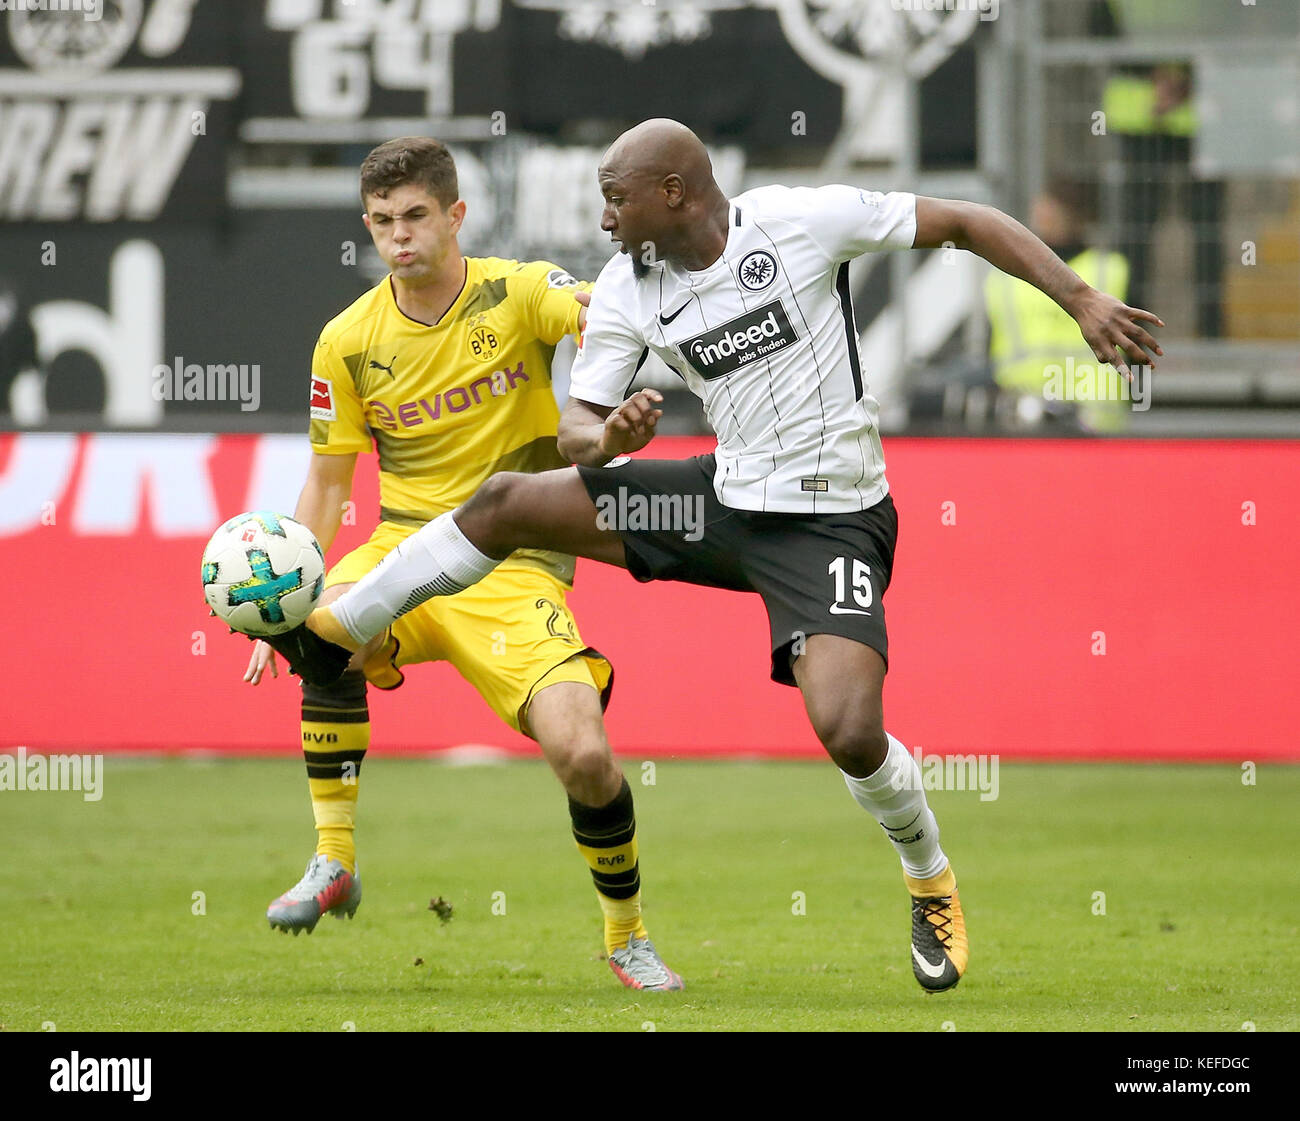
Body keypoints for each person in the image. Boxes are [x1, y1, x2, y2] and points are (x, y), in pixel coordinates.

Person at [265, 119, 1163, 993]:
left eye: (617, 200)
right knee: (506, 502)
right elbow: (579, 427)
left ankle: (928, 878)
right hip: (722, 501)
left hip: (830, 522)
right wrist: (607, 433)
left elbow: (968, 221)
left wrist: (1079, 297)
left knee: (848, 731)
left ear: (674, 192)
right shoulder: (625, 286)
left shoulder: (803, 221)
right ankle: (338, 625)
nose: (606, 220)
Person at [245, 136, 682, 993]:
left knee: (585, 755)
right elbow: (329, 486)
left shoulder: (517, 290)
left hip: (512, 563)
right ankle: (333, 860)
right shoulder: (346, 340)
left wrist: (624, 335)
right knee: (316, 624)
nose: (398, 237)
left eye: (414, 217)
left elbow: (599, 309)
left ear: (455, 216)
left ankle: (626, 936)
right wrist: (282, 600)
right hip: (401, 541)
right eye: (380, 222)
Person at [985, 180, 1132, 433]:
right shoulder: (1003, 279)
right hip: (1023, 416)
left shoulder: (1110, 270)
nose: (1043, 218)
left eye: (1051, 210)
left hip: (1093, 421)